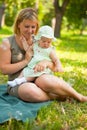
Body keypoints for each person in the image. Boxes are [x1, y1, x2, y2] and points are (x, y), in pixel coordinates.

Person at [0, 7, 87, 103]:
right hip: (19, 82)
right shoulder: (7, 42)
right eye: (26, 26)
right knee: (29, 90)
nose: (30, 31)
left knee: (46, 81)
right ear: (18, 24)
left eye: (33, 27)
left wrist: (46, 63)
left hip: (39, 77)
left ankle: (79, 96)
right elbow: (4, 69)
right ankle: (57, 96)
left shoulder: (42, 41)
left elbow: (56, 67)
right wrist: (25, 61)